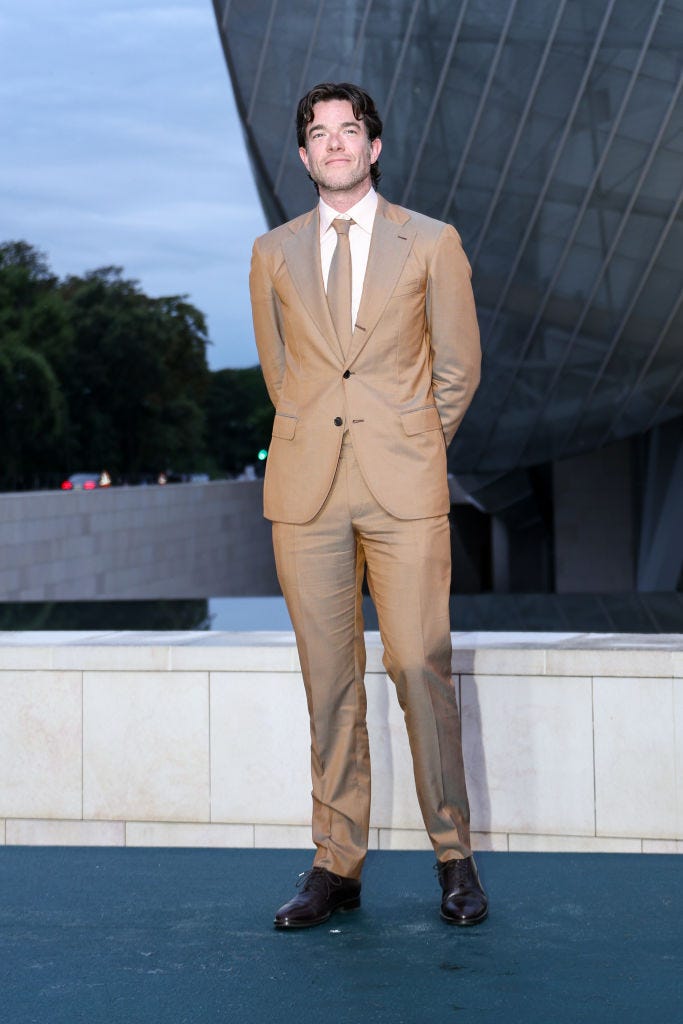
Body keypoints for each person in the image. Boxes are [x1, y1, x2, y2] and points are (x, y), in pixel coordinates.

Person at [249, 82, 486, 929]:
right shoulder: (271, 252)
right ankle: (335, 865)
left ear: (372, 147)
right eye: (319, 134)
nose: (335, 144)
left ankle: (453, 858)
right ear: (305, 156)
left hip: (403, 487)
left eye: (348, 131)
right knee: (329, 686)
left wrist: (414, 442)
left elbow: (457, 368)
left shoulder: (431, 242)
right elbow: (282, 376)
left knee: (419, 670)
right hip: (307, 492)